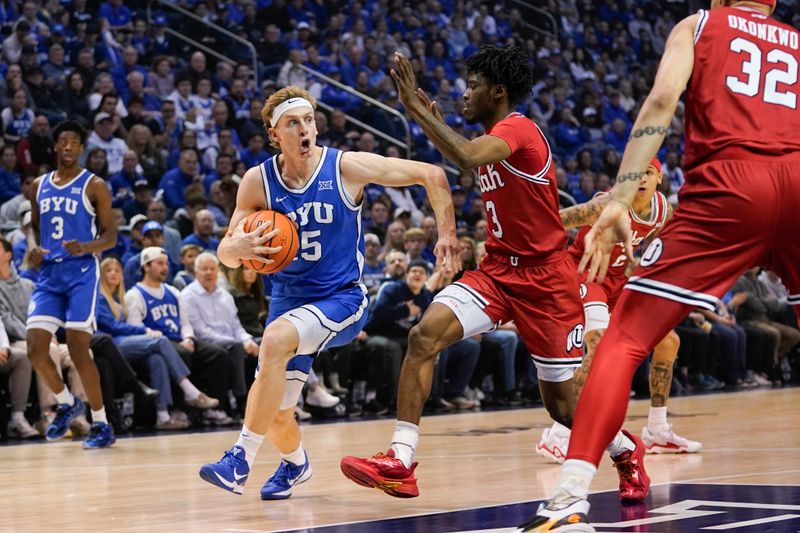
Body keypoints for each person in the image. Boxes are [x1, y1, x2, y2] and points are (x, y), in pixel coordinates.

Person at [521, 2, 800, 531]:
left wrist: (619, 200)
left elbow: (660, 103)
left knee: (626, 339)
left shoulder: (699, 24)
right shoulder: (794, 39)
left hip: (733, 182)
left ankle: (569, 496)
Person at [341, 45, 646, 501]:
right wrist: (435, 121)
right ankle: (401, 460)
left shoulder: (519, 129)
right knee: (423, 337)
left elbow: (464, 157)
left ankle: (625, 449)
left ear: (498, 91)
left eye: (473, 86)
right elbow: (466, 152)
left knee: (563, 409)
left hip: (547, 282)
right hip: (499, 272)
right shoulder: (494, 135)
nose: (464, 94)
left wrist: (417, 112)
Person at [199, 85, 458, 500]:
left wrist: (447, 235)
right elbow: (226, 251)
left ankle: (239, 459)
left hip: (342, 298)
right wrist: (237, 247)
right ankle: (296, 465)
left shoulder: (344, 168)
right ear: (273, 134)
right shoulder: (257, 181)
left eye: (309, 120)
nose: (305, 129)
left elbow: (432, 173)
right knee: (279, 413)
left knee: (275, 340)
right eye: (293, 123)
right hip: (288, 300)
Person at [537, 158, 701, 464]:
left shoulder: (663, 209)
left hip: (621, 279)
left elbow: (663, 244)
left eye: (648, 173)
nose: (641, 178)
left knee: (669, 342)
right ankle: (557, 434)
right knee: (599, 346)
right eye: (636, 173)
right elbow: (556, 220)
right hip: (585, 274)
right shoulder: (609, 203)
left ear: (659, 179)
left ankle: (657, 430)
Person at [25, 119, 118, 449]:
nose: (67, 146)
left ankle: (102, 423)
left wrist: (86, 246)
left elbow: (111, 237)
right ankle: (66, 403)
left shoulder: (95, 185)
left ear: (82, 148)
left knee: (79, 349)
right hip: (49, 275)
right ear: (55, 146)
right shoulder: (38, 185)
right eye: (62, 141)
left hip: (81, 273)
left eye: (73, 142)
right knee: (35, 349)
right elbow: (33, 225)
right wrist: (33, 246)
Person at [97, 257, 219, 430]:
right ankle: (189, 390)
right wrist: (144, 331)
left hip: (124, 342)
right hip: (111, 346)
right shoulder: (99, 297)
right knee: (160, 340)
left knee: (157, 359)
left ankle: (162, 415)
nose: (113, 274)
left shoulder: (118, 298)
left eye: (117, 271)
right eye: (108, 270)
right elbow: (112, 326)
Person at [124, 247, 232, 426]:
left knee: (218, 354)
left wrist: (189, 338)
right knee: (181, 353)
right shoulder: (135, 295)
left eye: (166, 263)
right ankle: (181, 407)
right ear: (146, 266)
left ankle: (215, 410)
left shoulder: (173, 291)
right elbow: (136, 329)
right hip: (157, 343)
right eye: (159, 263)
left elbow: (186, 323)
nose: (165, 267)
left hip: (181, 339)